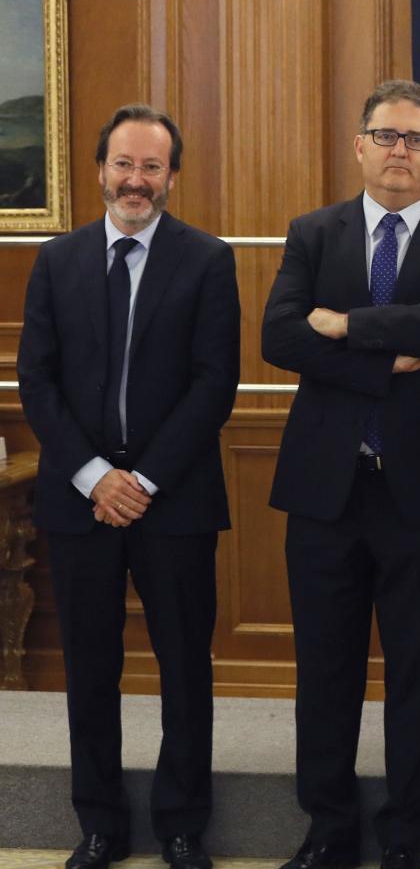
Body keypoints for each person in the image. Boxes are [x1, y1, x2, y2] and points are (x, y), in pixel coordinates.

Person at [262, 80, 420, 869]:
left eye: (417, 139)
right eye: (387, 136)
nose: (401, 151)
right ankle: (328, 829)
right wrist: (387, 359)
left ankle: (403, 838)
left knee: (418, 673)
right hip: (325, 491)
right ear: (359, 146)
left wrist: (350, 326)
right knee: (324, 671)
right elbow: (279, 336)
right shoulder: (313, 232)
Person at [17, 104, 239, 869]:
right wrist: (94, 477)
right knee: (89, 667)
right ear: (99, 171)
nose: (135, 180)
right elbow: (36, 381)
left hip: (174, 499)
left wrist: (139, 480)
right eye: (123, 164)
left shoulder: (208, 261)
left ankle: (181, 825)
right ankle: (100, 825)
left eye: (151, 166)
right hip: (78, 500)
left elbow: (214, 384)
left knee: (185, 667)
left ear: (172, 175)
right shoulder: (57, 261)